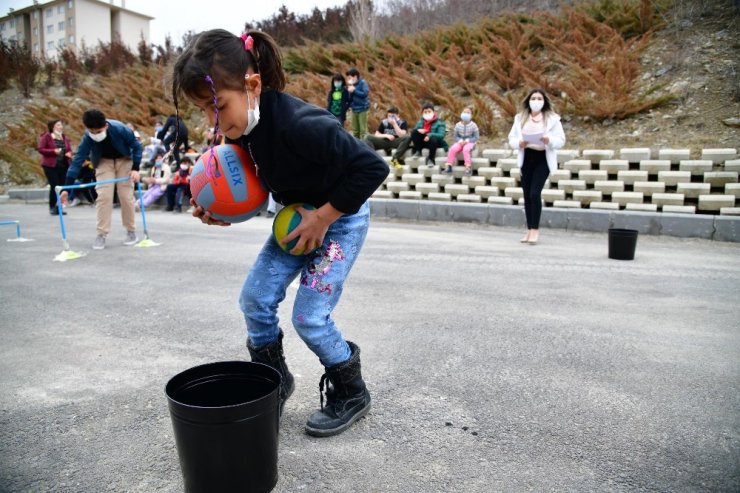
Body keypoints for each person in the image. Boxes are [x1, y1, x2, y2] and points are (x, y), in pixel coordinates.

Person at [172, 29, 388, 437]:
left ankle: (351, 389)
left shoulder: (301, 124)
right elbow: (251, 189)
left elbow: (372, 168)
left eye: (216, 106)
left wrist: (323, 218)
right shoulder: (243, 132)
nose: (211, 121)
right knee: (254, 299)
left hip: (341, 219)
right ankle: (274, 380)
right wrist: (218, 211)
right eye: (203, 110)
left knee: (309, 317)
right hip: (295, 219)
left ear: (252, 84)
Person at [61, 109, 142, 250]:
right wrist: (67, 188)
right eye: (92, 132)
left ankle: (131, 232)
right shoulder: (88, 137)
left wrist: (135, 168)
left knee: (125, 196)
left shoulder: (120, 129)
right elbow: (77, 160)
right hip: (104, 162)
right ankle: (101, 234)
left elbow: (136, 146)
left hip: (124, 160)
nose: (95, 135)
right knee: (104, 196)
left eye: (98, 132)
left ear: (105, 126)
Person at [507, 88, 566, 245]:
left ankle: (535, 229)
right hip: (527, 157)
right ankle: (528, 229)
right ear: (528, 101)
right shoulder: (520, 118)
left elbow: (561, 140)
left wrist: (549, 140)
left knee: (534, 193)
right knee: (526, 195)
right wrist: (519, 143)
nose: (536, 101)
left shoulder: (552, 119)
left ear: (544, 101)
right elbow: (512, 138)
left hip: (543, 158)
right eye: (533, 98)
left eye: (539, 98)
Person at [37, 119, 72, 215]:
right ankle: (52, 207)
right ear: (53, 127)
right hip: (50, 166)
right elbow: (40, 149)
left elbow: (68, 149)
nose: (61, 127)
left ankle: (59, 207)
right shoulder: (46, 137)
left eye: (61, 125)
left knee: (61, 187)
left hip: (63, 165)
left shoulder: (64, 137)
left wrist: (69, 153)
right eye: (58, 125)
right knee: (54, 186)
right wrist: (53, 151)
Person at [443, 106, 480, 177]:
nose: (466, 114)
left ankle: (468, 167)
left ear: (471, 115)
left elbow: (476, 137)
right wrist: (459, 140)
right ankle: (449, 166)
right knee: (452, 149)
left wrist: (468, 140)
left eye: (468, 113)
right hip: (460, 142)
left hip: (470, 142)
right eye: (464, 112)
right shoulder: (458, 125)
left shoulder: (473, 125)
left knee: (466, 150)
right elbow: (455, 136)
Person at [409, 102, 447, 167]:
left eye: (429, 111)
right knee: (414, 132)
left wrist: (430, 135)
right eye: (425, 112)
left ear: (434, 112)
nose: (427, 113)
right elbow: (414, 132)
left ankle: (431, 159)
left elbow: (441, 135)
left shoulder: (439, 123)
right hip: (424, 141)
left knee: (433, 139)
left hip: (435, 143)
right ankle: (418, 151)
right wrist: (419, 130)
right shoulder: (421, 121)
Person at [345, 67, 370, 139]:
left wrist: (354, 90)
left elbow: (365, 94)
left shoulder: (363, 83)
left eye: (350, 77)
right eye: (348, 78)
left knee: (363, 129)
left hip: (362, 108)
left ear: (355, 76)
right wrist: (349, 92)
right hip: (354, 109)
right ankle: (356, 145)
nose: (349, 79)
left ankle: (365, 145)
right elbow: (350, 99)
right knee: (355, 129)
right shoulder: (351, 85)